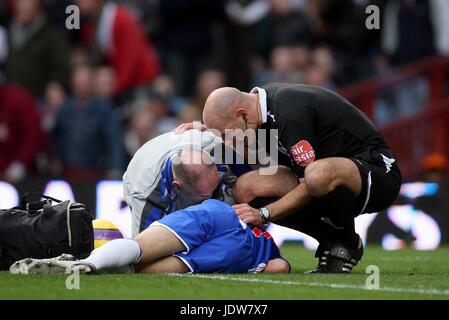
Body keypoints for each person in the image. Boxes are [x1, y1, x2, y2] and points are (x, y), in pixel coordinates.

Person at [201, 83, 402, 273]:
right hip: (328, 175)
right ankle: (335, 240)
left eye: (226, 134)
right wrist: (201, 134)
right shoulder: (260, 110)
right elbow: (260, 157)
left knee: (316, 175)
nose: (227, 141)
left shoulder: (288, 113)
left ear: (242, 114)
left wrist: (263, 214)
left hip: (378, 172)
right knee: (246, 187)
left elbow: (308, 182)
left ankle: (345, 243)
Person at [10, 199, 290, 275]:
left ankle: (88, 263)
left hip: (218, 212)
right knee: (142, 268)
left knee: (139, 247)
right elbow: (280, 267)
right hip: (239, 251)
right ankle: (91, 267)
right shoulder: (268, 247)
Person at [123, 130, 235, 237]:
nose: (209, 201)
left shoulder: (218, 147)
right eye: (204, 196)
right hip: (139, 174)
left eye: (215, 187)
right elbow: (142, 249)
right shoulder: (146, 194)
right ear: (177, 186)